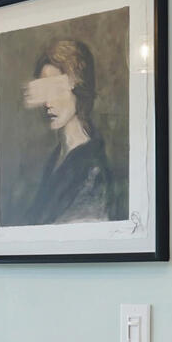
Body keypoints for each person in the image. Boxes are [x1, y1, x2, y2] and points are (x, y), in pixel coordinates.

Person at [18, 36, 117, 224]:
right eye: (44, 91)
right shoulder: (57, 157)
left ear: (77, 88)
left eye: (56, 90)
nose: (48, 103)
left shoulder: (93, 170)